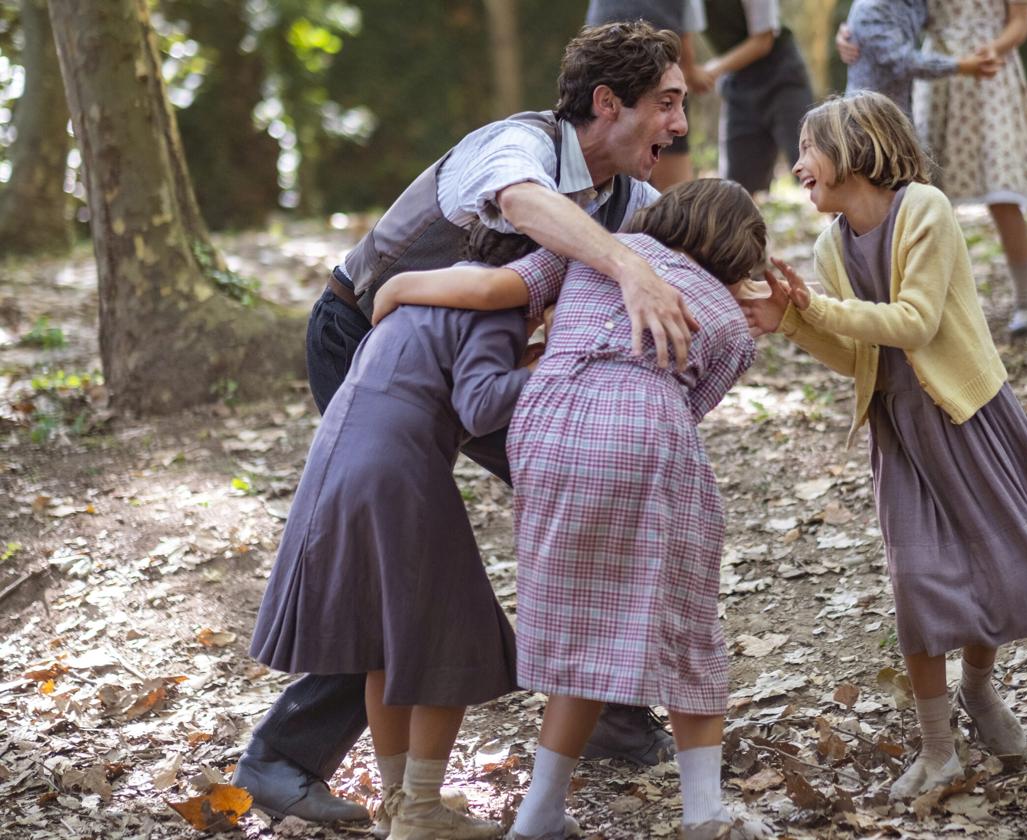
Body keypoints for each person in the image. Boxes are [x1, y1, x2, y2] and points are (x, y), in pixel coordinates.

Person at [234, 20, 689, 826]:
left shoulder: (627, 194)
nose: (680, 124)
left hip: (469, 360)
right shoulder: (514, 148)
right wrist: (624, 270)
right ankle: (285, 757)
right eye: (666, 102)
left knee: (591, 488)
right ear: (608, 103)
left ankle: (605, 705)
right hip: (366, 343)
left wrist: (758, 280)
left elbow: (687, 240)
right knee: (393, 566)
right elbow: (524, 209)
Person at [740, 93, 1027, 801]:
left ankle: (978, 689)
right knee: (918, 583)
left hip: (967, 415)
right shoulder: (830, 246)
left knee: (993, 566)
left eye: (807, 149)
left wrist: (811, 305)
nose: (796, 166)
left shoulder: (926, 211)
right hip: (901, 429)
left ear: (853, 148)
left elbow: (912, 323)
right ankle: (939, 751)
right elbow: (860, 355)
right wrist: (788, 319)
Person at [372, 178, 767, 840]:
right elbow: (687, 410)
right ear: (736, 254)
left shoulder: (594, 248)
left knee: (582, 616)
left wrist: (395, 287)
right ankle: (704, 814)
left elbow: (491, 290)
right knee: (686, 622)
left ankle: (541, 813)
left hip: (544, 427)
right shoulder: (728, 321)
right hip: (641, 427)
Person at [250, 226, 542, 840]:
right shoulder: (499, 307)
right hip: (395, 467)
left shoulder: (430, 294)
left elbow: (446, 379)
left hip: (340, 454)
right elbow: (483, 404)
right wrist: (561, 366)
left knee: (385, 637)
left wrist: (527, 360)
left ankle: (397, 799)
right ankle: (421, 811)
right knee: (450, 633)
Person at [839, 1, 1027, 336]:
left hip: (989, 74)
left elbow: (1019, 23)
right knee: (925, 191)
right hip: (935, 75)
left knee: (1001, 185)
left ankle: (1026, 298)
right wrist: (852, 30)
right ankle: (925, 302)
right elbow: (894, 12)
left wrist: (987, 52)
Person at [691, 0, 812, 195]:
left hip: (782, 76)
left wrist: (711, 71)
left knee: (815, 165)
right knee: (735, 189)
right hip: (739, 83)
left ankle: (844, 225)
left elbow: (763, 40)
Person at [585, 0, 710, 189]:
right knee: (675, 195)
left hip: (595, 72)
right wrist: (693, 73)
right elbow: (685, 47)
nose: (680, 126)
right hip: (653, 75)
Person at [843, 0, 1000, 116]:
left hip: (899, 111)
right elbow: (905, 62)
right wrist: (961, 65)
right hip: (865, 114)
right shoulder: (871, 9)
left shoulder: (913, 4)